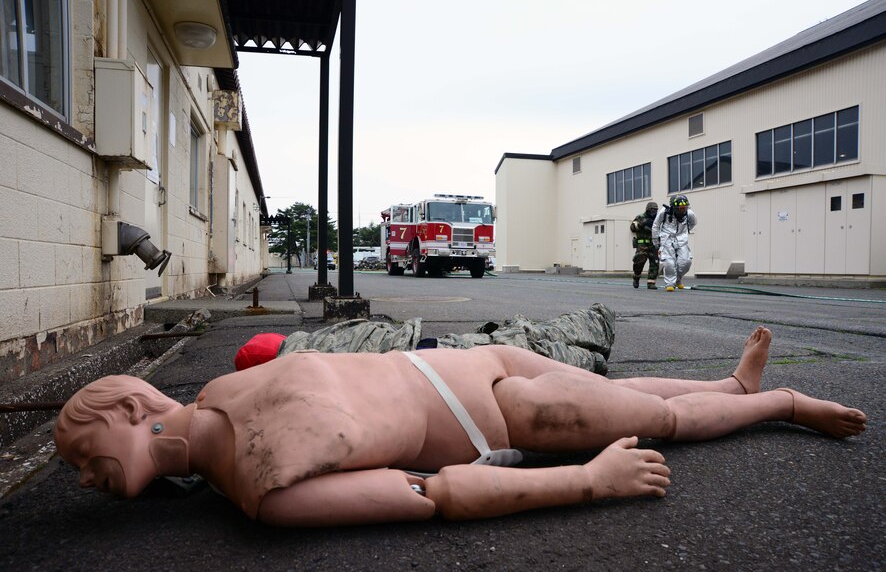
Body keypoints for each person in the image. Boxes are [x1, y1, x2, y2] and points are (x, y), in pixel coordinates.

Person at [54, 326, 866, 527]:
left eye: (86, 457)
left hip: (480, 358)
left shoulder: (222, 387)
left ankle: (729, 381)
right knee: (658, 420)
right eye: (85, 474)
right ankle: (781, 404)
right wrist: (586, 479)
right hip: (502, 413)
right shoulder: (265, 490)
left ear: (130, 407)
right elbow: (434, 492)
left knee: (621, 387)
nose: (87, 477)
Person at [235, 304, 616, 375]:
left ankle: (596, 340)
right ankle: (595, 333)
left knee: (528, 349)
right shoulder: (324, 339)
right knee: (526, 340)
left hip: (439, 362)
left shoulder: (308, 365)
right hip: (439, 349)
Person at [652, 194, 697, 292]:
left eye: (684, 208)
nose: (683, 210)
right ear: (674, 207)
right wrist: (656, 241)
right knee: (669, 262)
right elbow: (656, 225)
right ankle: (670, 283)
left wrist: (684, 232)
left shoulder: (689, 214)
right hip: (667, 238)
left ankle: (678, 280)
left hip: (681, 239)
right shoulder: (664, 212)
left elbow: (693, 223)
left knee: (686, 262)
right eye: (680, 208)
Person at [630, 202, 660, 290]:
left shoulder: (658, 219)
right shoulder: (640, 217)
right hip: (642, 244)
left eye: (655, 210)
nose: (653, 212)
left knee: (655, 262)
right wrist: (643, 224)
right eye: (652, 210)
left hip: (654, 244)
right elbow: (632, 228)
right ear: (647, 210)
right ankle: (636, 276)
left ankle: (651, 282)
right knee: (639, 260)